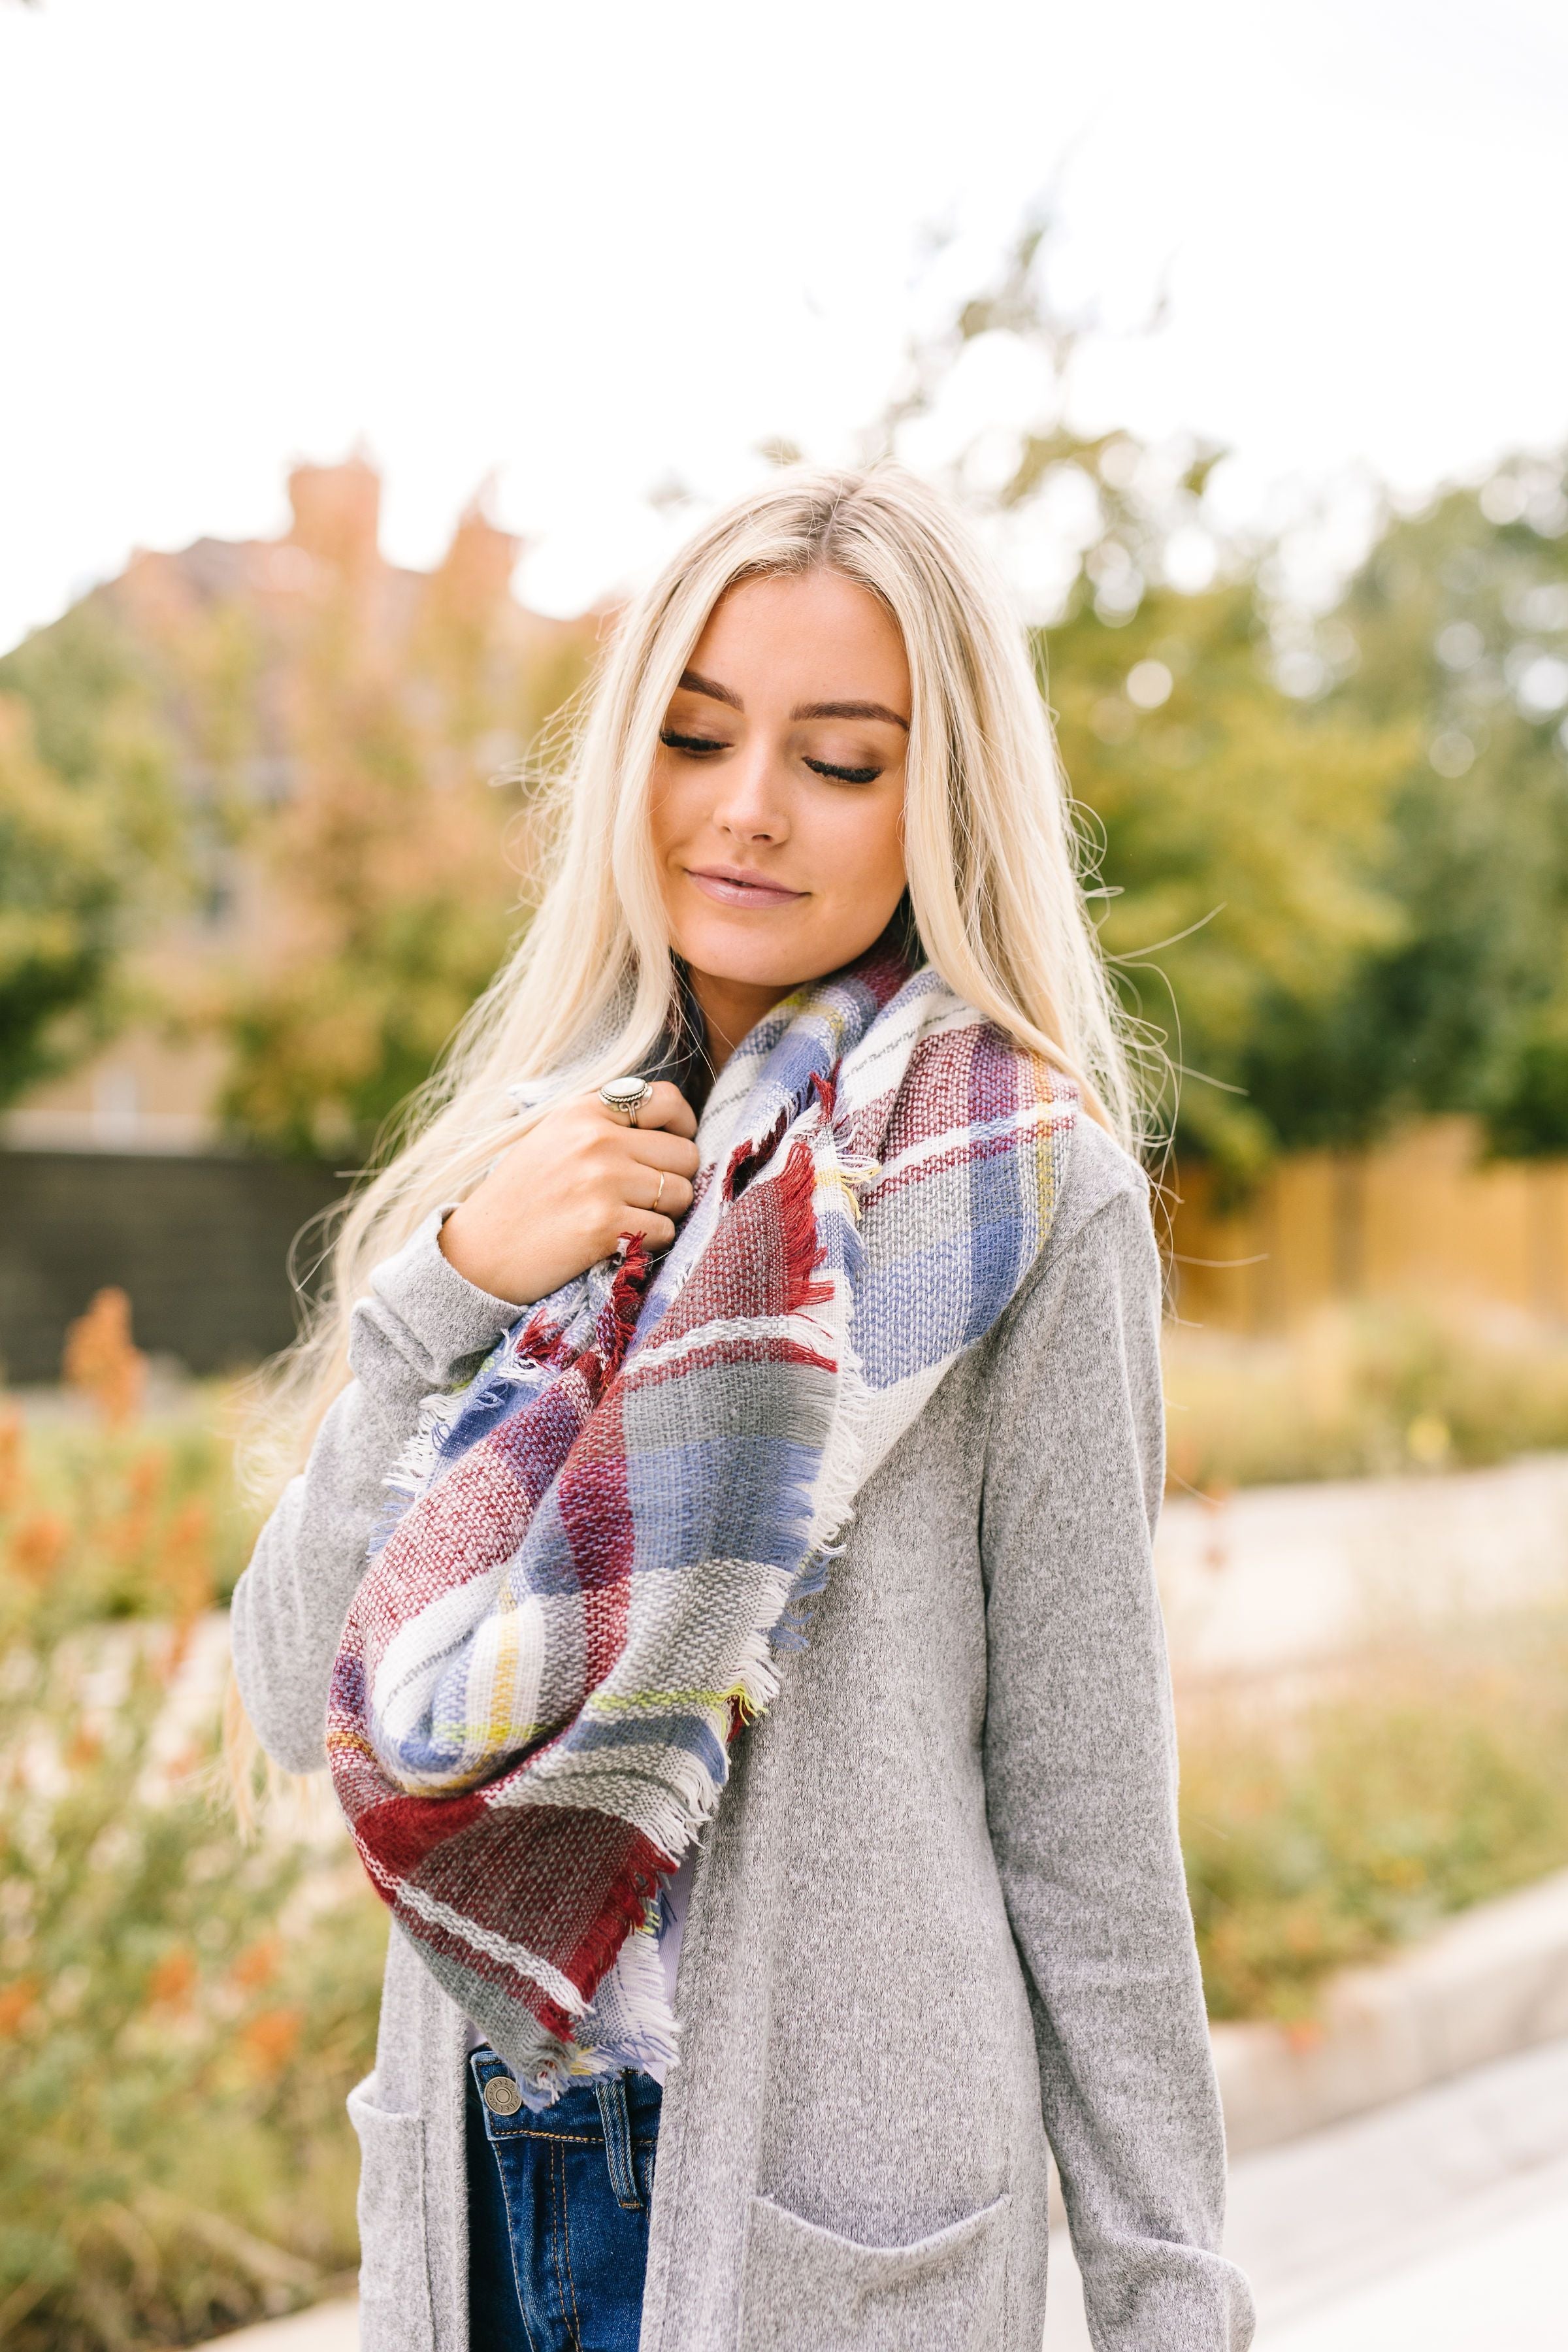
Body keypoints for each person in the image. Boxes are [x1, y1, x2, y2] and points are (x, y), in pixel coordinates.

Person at [231, 466, 1254, 2352]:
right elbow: (301, 1686)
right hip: (487, 2180)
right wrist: (445, 1288)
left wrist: (1172, 2303)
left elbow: (1089, 1824)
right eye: (698, 736)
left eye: (841, 759)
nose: (749, 807)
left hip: (832, 2244)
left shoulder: (1031, 1198)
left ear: (939, 796)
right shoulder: (539, 1154)